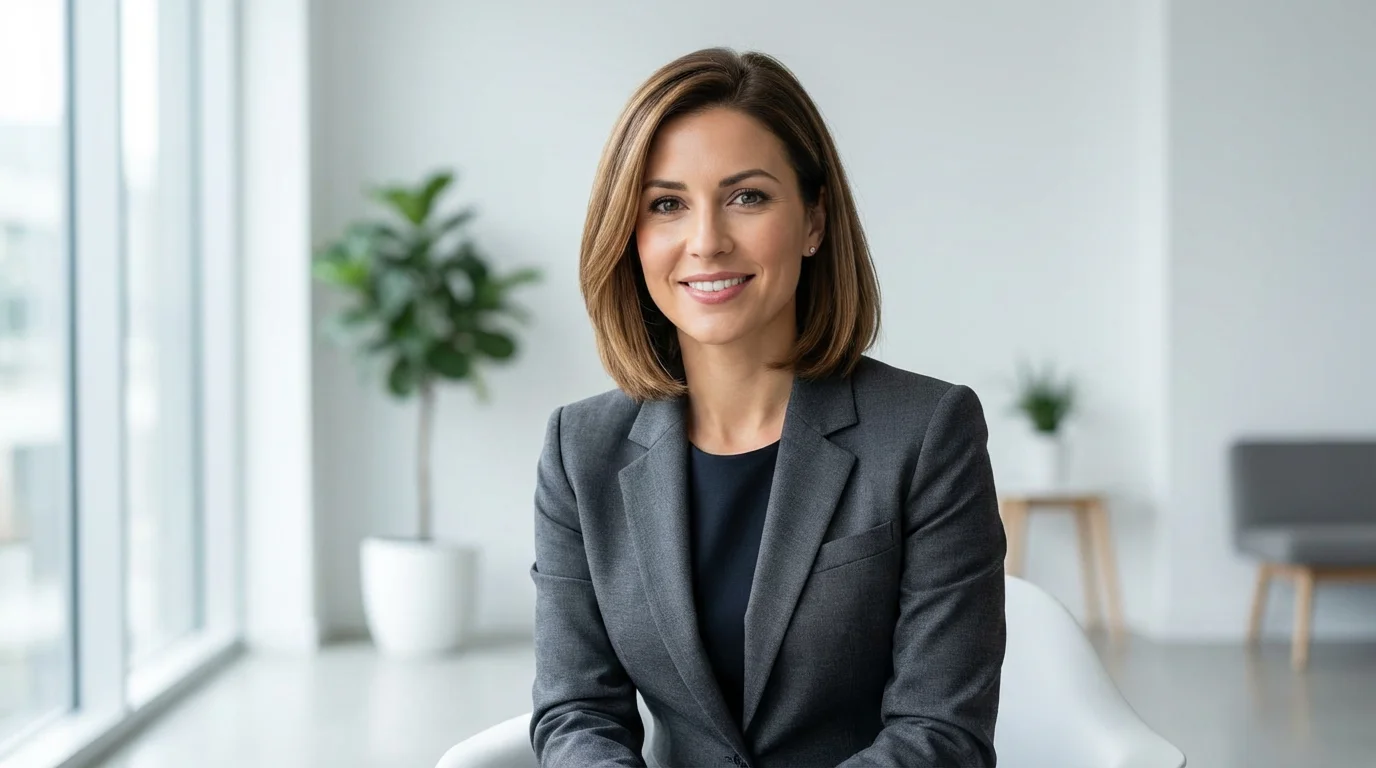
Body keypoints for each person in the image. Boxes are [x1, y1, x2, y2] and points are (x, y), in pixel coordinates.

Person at [529, 47, 1006, 768]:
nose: (707, 241)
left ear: (813, 220)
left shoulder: (927, 431)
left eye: (746, 197)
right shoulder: (579, 447)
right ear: (631, 236)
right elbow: (576, 711)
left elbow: (941, 731)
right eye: (666, 205)